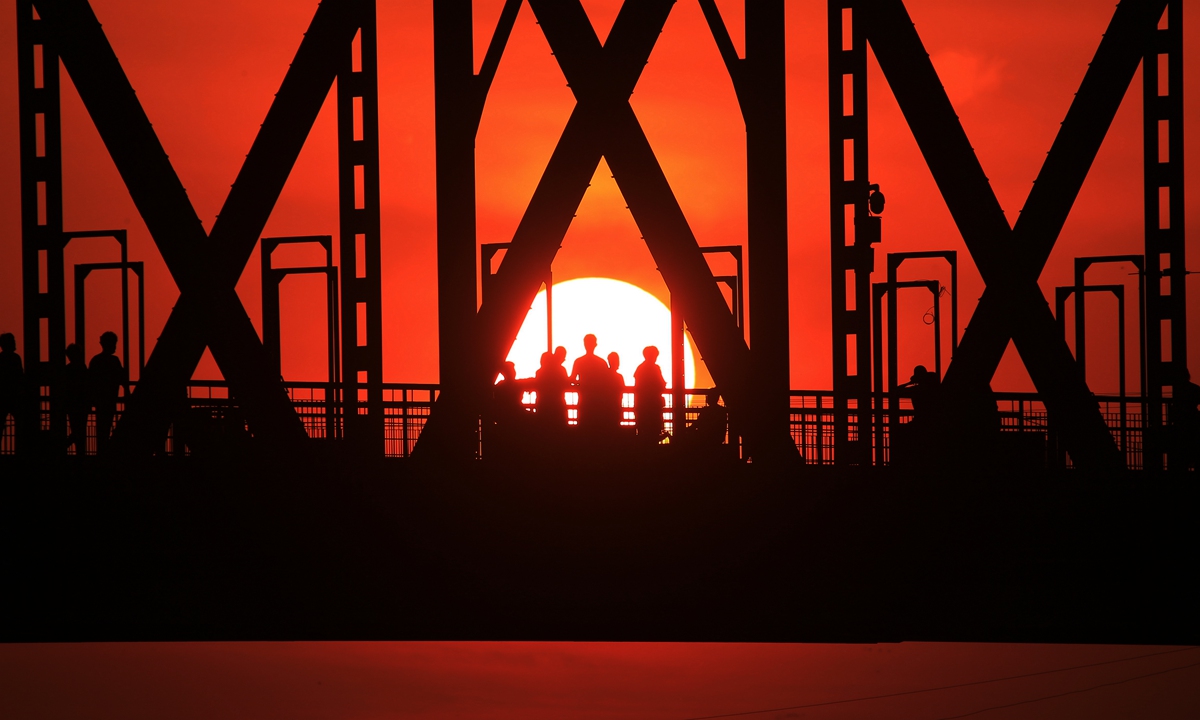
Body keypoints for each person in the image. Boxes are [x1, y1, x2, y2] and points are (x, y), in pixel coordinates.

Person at [88, 331, 127, 453]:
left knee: (101, 428)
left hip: (100, 401)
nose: (115, 346)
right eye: (114, 344)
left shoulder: (96, 360)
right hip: (110, 400)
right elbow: (122, 379)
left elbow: (90, 382)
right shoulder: (114, 361)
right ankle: (104, 453)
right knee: (107, 426)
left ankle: (101, 452)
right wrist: (128, 394)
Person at [570, 334, 609, 431]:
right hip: (599, 399)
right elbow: (606, 381)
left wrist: (580, 383)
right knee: (598, 424)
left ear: (584, 344)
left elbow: (572, 379)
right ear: (595, 344)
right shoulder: (601, 362)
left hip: (584, 396)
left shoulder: (579, 361)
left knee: (584, 424)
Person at [633, 345, 667, 444]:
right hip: (653, 404)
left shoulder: (640, 369)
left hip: (641, 404)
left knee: (643, 429)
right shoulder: (655, 368)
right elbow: (661, 384)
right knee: (654, 429)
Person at [64, 343, 90, 455]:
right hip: (81, 404)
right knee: (80, 430)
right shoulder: (82, 368)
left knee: (76, 429)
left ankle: (66, 446)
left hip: (72, 404)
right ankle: (80, 452)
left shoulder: (67, 370)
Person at [0, 332, 24, 449]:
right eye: (13, 341)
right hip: (14, 396)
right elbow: (20, 377)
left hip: (3, 397)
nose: (15, 343)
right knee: (21, 424)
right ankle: (20, 451)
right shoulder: (15, 358)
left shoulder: (1, 359)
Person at [534, 350, 568, 430]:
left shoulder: (539, 372)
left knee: (543, 425)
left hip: (542, 401)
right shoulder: (561, 370)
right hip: (558, 401)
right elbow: (566, 383)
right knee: (560, 424)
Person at [602, 351, 627, 431]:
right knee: (615, 425)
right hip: (616, 404)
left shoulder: (604, 376)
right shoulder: (619, 377)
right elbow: (623, 389)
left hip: (605, 406)